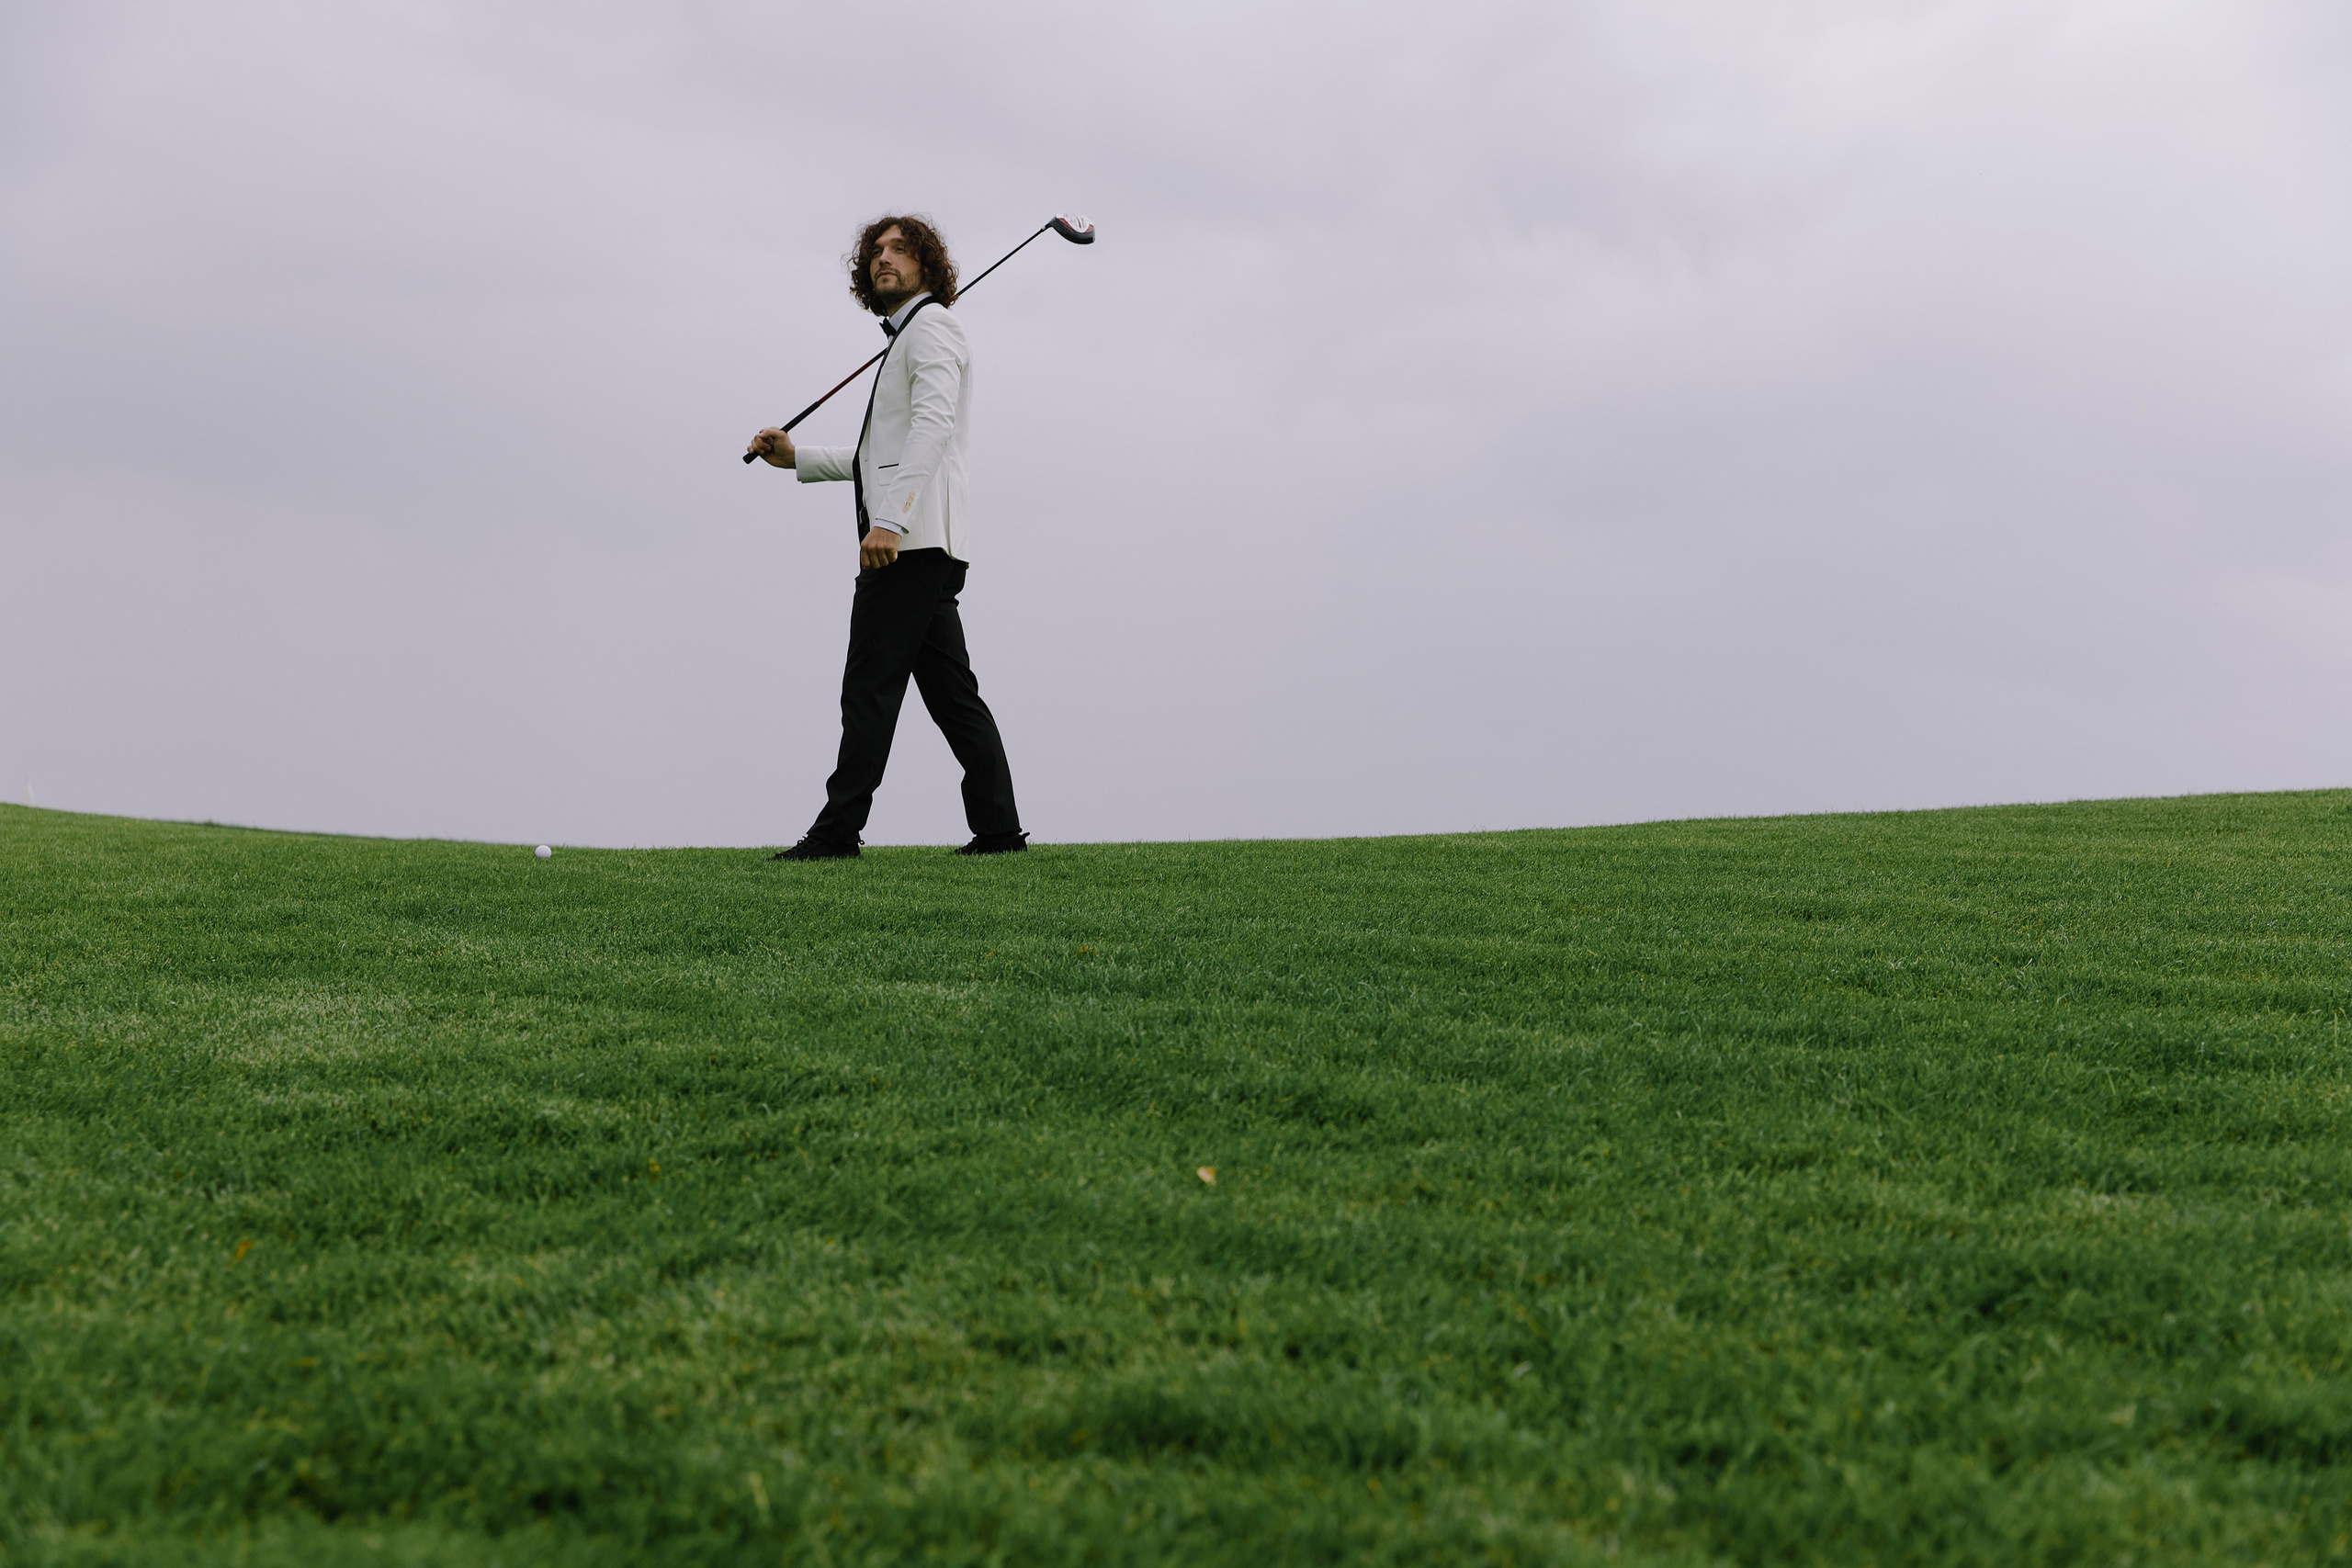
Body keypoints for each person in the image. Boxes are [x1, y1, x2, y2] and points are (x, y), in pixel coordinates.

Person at [747, 215, 1027, 860]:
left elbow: (931, 427)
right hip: (926, 544)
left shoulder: (931, 329)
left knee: (869, 687)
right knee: (955, 698)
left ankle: (836, 833)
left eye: (900, 250)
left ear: (928, 266)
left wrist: (889, 522)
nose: (884, 259)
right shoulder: (915, 334)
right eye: (876, 251)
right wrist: (799, 458)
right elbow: (884, 452)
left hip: (910, 544)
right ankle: (1000, 832)